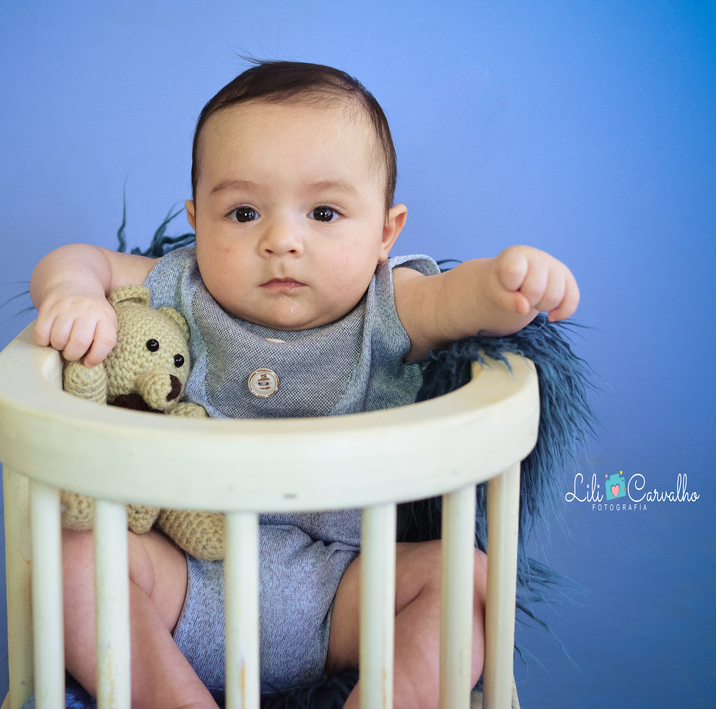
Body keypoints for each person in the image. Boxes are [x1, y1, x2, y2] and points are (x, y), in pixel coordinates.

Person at [29, 61, 580, 709]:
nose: (281, 240)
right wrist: (73, 293)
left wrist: (505, 287)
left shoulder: (389, 306)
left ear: (384, 233)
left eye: (323, 212)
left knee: (470, 581)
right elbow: (80, 259)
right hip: (188, 579)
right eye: (242, 212)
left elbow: (456, 302)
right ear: (198, 220)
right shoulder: (178, 284)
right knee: (70, 559)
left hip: (345, 589)